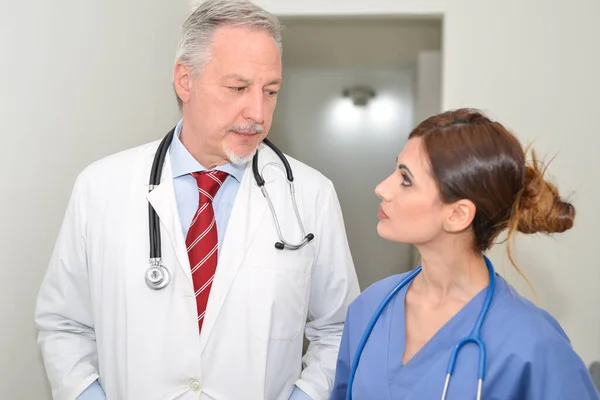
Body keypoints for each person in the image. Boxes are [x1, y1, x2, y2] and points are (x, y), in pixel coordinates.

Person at [34, 1, 360, 399]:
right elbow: (63, 324)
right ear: (185, 81)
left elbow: (338, 329)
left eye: (270, 91)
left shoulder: (311, 196)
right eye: (238, 88)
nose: (257, 112)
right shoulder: (101, 187)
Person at [330, 108, 600, 399]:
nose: (382, 188)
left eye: (405, 179)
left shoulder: (532, 342)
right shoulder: (370, 309)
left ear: (458, 214)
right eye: (395, 170)